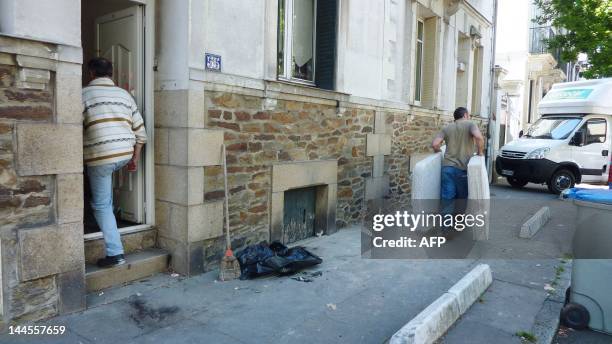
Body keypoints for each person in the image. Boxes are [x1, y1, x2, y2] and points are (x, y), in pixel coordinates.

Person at [82, 57, 147, 267]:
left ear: (91, 73)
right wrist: (135, 159)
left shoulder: (83, 94)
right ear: (111, 73)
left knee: (101, 205)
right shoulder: (124, 95)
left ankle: (115, 253)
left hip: (100, 157)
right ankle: (114, 214)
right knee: (106, 195)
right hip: (124, 153)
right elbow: (141, 133)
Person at [431, 107, 484, 216]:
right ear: (465, 115)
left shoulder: (447, 128)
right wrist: (480, 152)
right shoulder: (470, 124)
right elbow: (479, 137)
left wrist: (438, 151)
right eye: (468, 115)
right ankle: (458, 223)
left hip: (447, 168)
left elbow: (435, 144)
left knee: (447, 198)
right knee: (461, 199)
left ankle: (446, 227)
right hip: (462, 169)